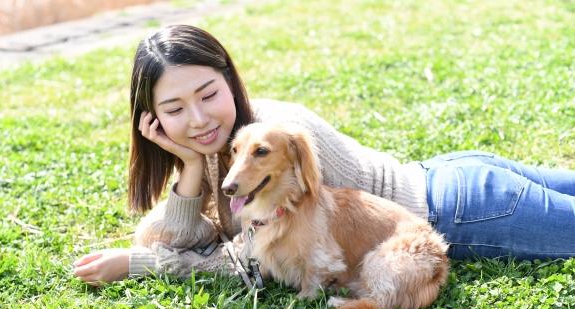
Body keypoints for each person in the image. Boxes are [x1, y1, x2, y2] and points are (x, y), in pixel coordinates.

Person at [73, 24, 575, 285]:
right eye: (175, 108)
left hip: (460, 210)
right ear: (152, 119)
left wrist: (142, 265)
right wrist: (186, 166)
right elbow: (175, 234)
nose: (199, 118)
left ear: (229, 79)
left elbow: (250, 261)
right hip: (447, 172)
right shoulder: (219, 146)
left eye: (208, 94)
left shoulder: (277, 138)